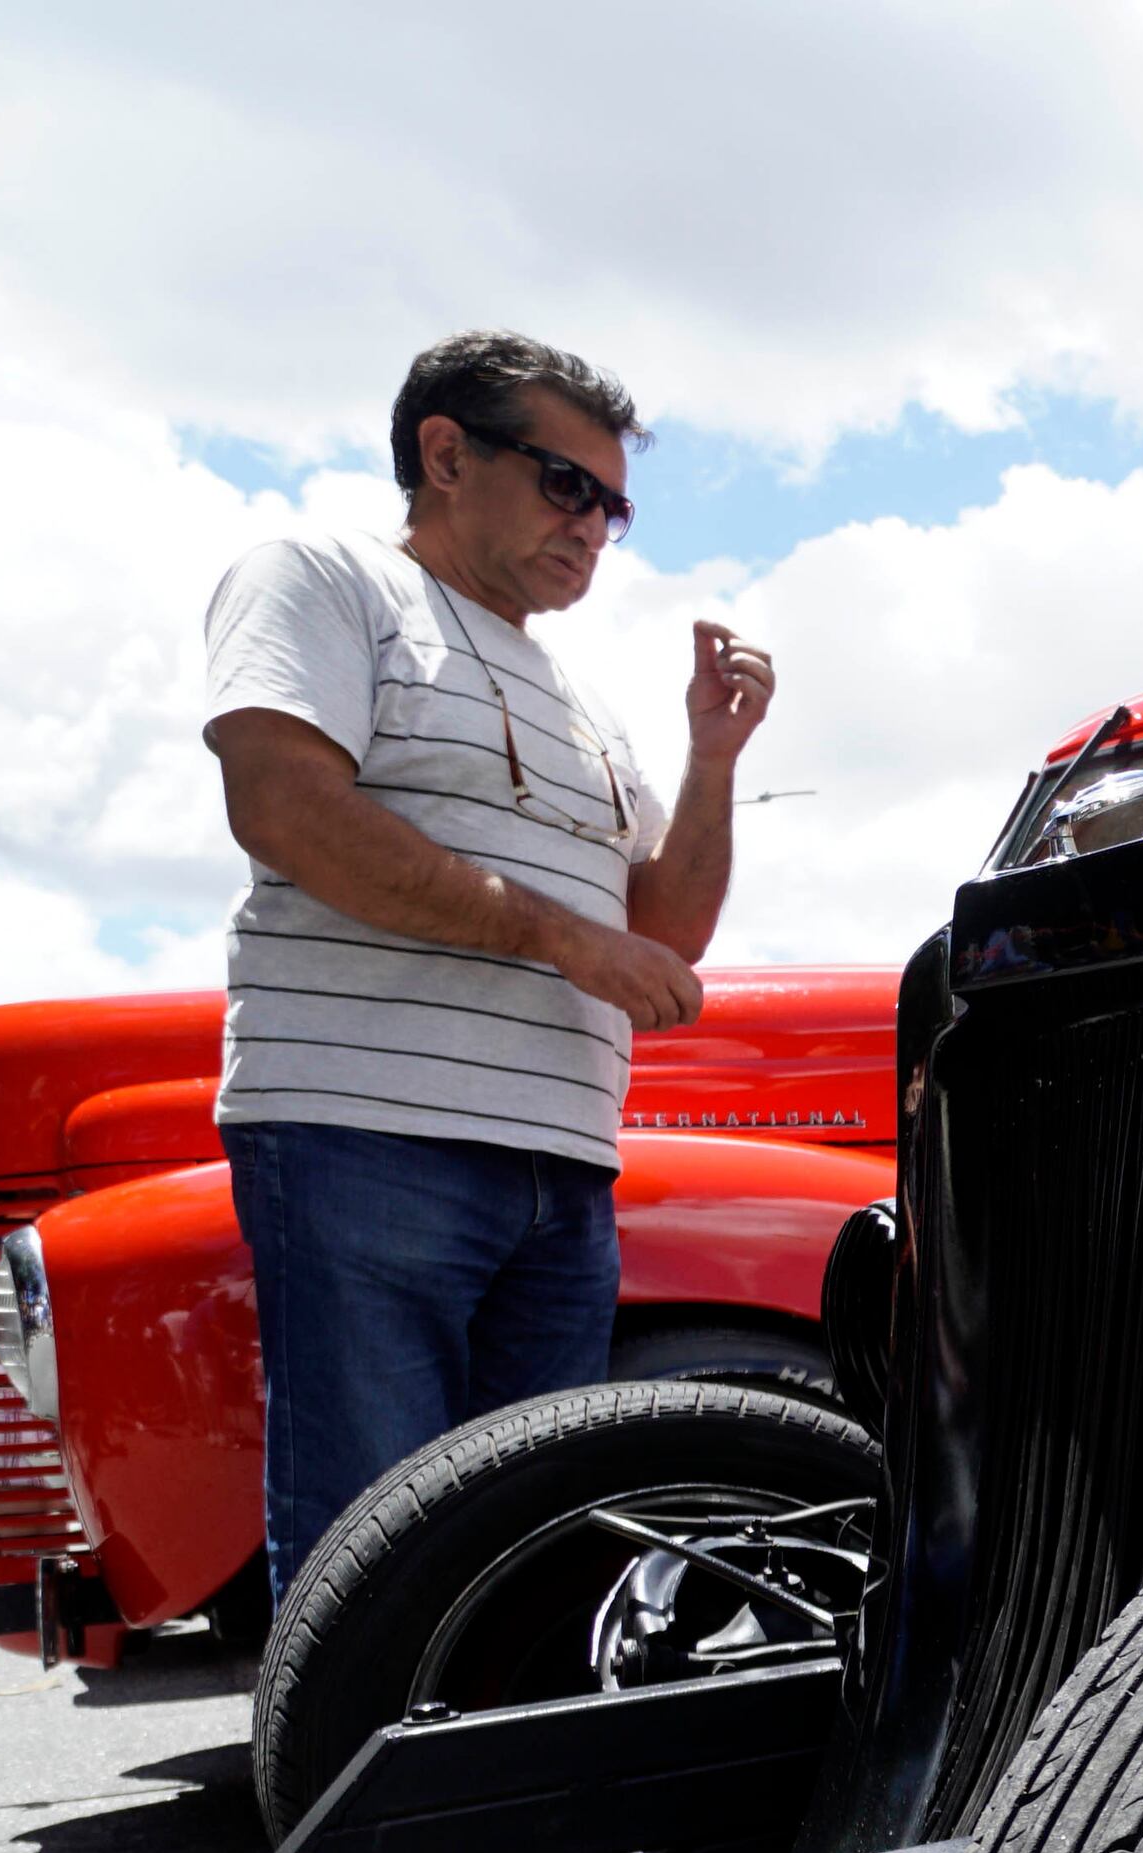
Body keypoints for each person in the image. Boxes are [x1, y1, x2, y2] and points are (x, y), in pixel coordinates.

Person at [199, 326, 775, 1596]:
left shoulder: (582, 699)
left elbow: (662, 933)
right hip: (366, 1134)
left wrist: (713, 760)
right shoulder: (321, 579)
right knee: (378, 1536)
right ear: (444, 454)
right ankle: (348, 1802)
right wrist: (560, 936)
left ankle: (510, 1792)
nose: (593, 525)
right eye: (567, 483)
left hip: (560, 1162)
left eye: (612, 505)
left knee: (539, 1535)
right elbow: (288, 812)